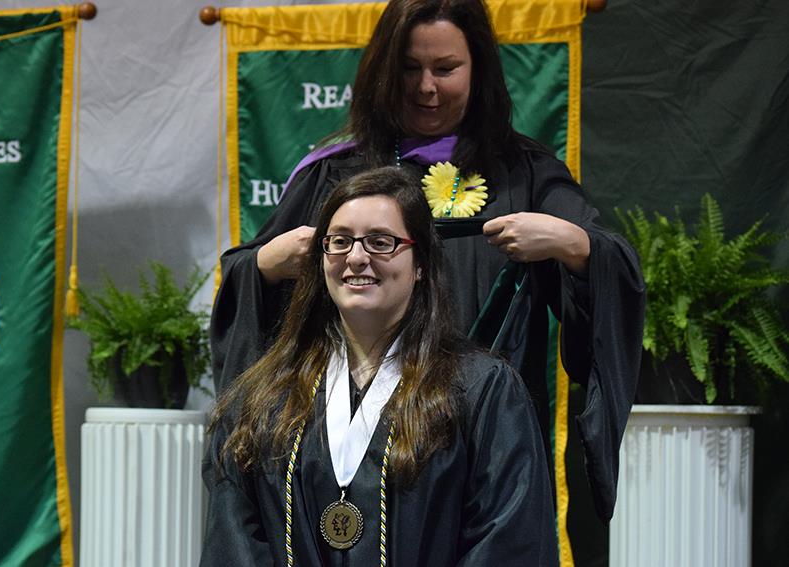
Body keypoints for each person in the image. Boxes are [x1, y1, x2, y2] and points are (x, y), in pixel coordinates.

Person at [210, 0, 645, 522]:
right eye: (410, 68)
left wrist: (574, 244)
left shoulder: (524, 176)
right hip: (345, 444)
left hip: (482, 440)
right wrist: (264, 265)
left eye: (446, 68)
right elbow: (247, 291)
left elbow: (612, 264)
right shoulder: (336, 173)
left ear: (477, 70)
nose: (426, 87)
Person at [201, 167, 558, 566]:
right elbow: (233, 538)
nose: (356, 257)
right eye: (339, 241)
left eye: (380, 242)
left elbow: (509, 542)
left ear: (420, 263)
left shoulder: (481, 391)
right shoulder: (265, 394)